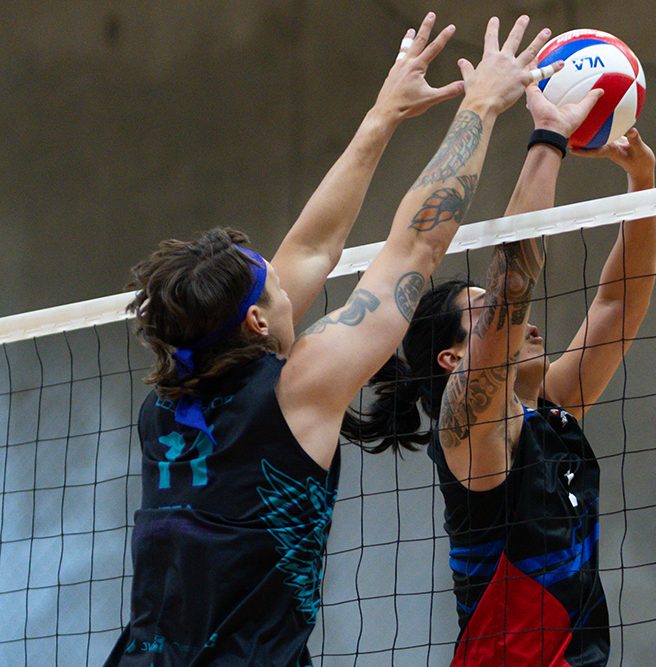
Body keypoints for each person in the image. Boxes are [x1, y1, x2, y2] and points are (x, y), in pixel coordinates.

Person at [106, 13, 556, 665]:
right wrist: (482, 106)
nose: (289, 277)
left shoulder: (166, 403)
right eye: (274, 284)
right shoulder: (299, 386)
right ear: (258, 323)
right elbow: (419, 243)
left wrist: (383, 115)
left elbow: (314, 246)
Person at [342, 91, 656, 664]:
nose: (519, 322)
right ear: (453, 358)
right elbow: (513, 283)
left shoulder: (548, 410)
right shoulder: (468, 433)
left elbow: (615, 306)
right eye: (484, 316)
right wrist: (548, 138)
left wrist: (642, 182)